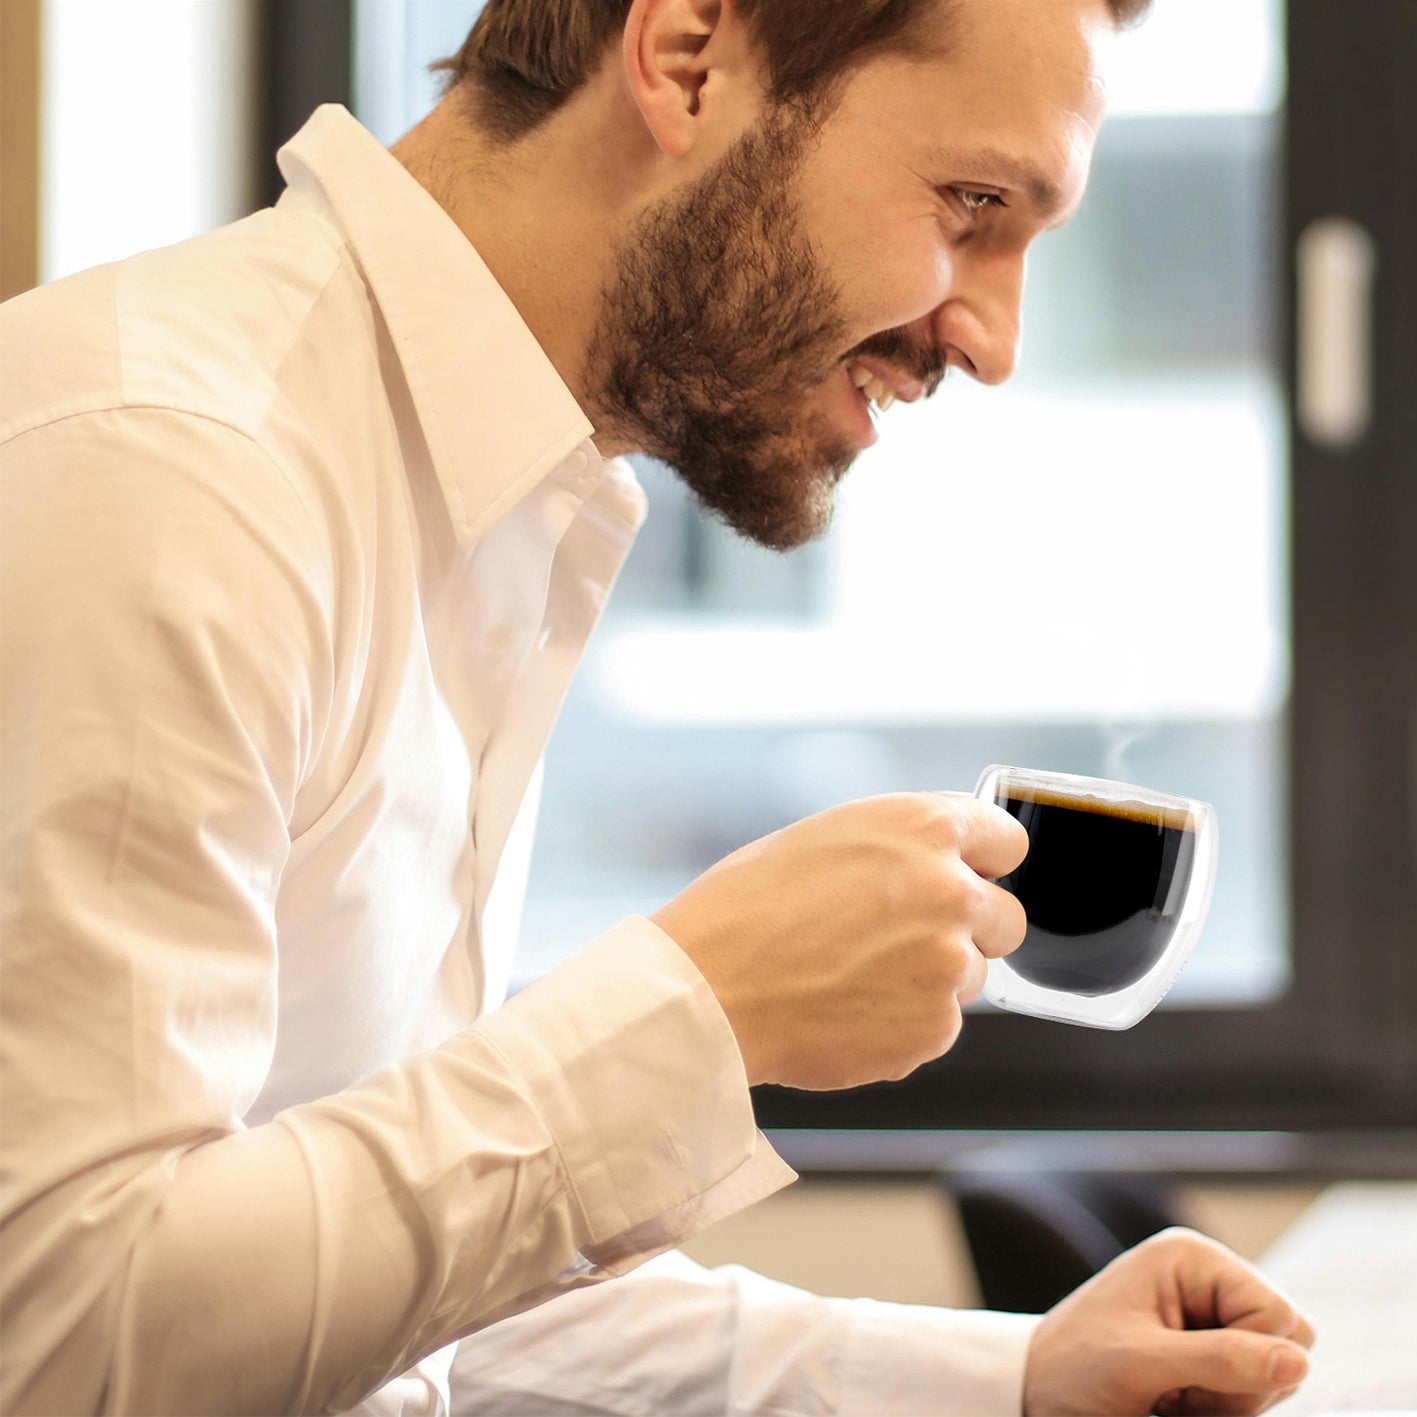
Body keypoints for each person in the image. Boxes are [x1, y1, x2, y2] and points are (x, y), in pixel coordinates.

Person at [0, 0, 1316, 1412]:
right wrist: (698, 1011)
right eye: (970, 203)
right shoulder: (173, 472)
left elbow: (388, 1298)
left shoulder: (492, 504)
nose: (992, 338)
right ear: (687, 60)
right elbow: (64, 1333)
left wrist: (1016, 1376)